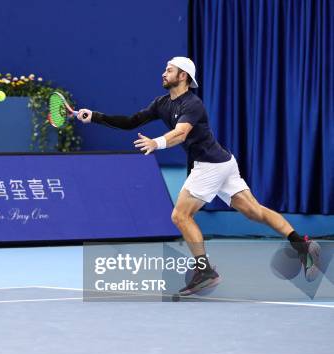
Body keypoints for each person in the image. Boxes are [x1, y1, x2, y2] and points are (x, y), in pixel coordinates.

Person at [76, 56, 320, 295]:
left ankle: (204, 272)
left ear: (183, 76)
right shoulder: (161, 103)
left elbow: (181, 133)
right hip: (224, 161)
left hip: (210, 165)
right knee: (254, 211)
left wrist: (157, 143)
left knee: (180, 216)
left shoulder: (192, 104)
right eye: (165, 69)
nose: (164, 73)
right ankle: (302, 245)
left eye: (169, 70)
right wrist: (95, 116)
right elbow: (130, 122)